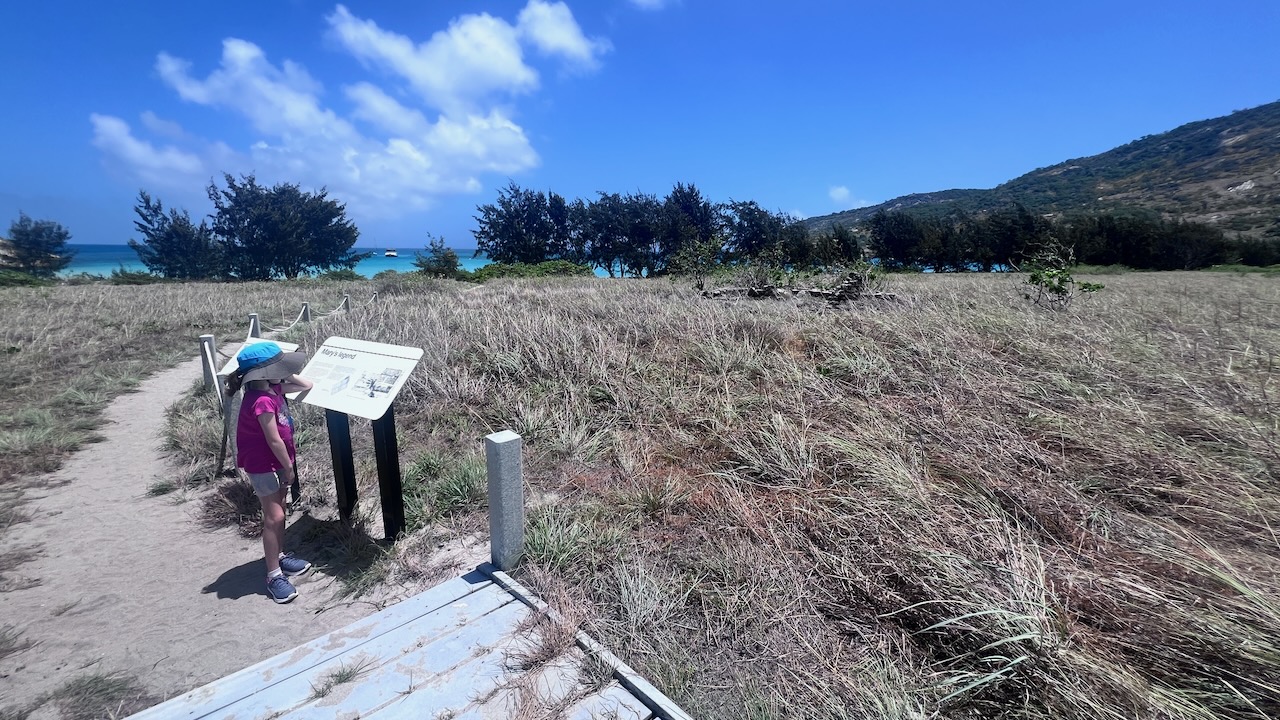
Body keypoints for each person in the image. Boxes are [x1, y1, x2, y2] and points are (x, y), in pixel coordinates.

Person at [225, 341, 315, 604]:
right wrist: (289, 467)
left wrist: (282, 373)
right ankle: (273, 574)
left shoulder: (272, 389)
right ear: (263, 373)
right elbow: (273, 439)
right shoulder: (261, 400)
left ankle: (280, 556)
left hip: (277, 462)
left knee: (280, 512)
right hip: (265, 464)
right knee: (274, 517)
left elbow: (305, 385)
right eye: (278, 366)